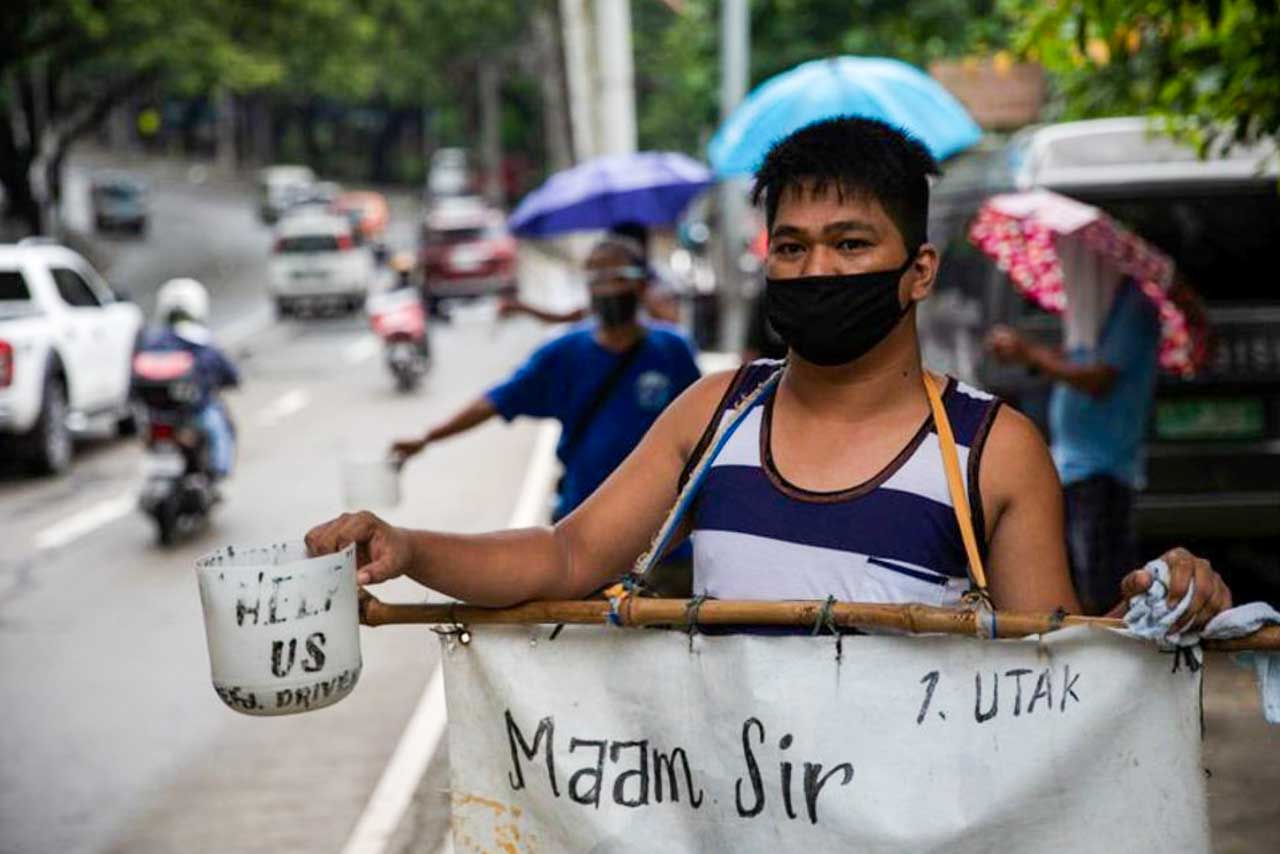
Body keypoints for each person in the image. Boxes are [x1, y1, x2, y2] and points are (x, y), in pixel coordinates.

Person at [309, 117, 1230, 634]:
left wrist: (1163, 600)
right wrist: (413, 547)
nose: (817, 271)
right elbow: (562, 558)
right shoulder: (715, 413)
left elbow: (1055, 676)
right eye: (791, 246)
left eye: (850, 244)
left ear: (918, 271)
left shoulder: (995, 452)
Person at [392, 235, 702, 527]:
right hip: (586, 523)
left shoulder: (672, 349)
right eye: (597, 278)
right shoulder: (565, 353)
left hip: (664, 530)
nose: (607, 288)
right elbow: (497, 399)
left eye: (618, 277)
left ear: (642, 283)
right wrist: (429, 437)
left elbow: (705, 425)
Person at [986, 276, 1162, 614]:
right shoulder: (1094, 304)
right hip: (1072, 466)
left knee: (1102, 587)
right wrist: (1028, 354)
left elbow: (1098, 378)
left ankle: (1103, 660)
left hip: (1102, 467)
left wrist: (1029, 352)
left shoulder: (1131, 305)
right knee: (1071, 581)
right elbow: (1072, 358)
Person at [139, 278, 239, 478]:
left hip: (155, 414)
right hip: (194, 413)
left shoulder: (151, 340)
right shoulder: (200, 340)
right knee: (219, 427)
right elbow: (226, 371)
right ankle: (219, 470)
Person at [498, 226, 682, 325]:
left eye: (617, 272)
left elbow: (672, 319)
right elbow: (571, 316)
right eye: (598, 275)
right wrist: (524, 308)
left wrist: (645, 298)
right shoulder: (578, 347)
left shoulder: (657, 282)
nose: (609, 286)